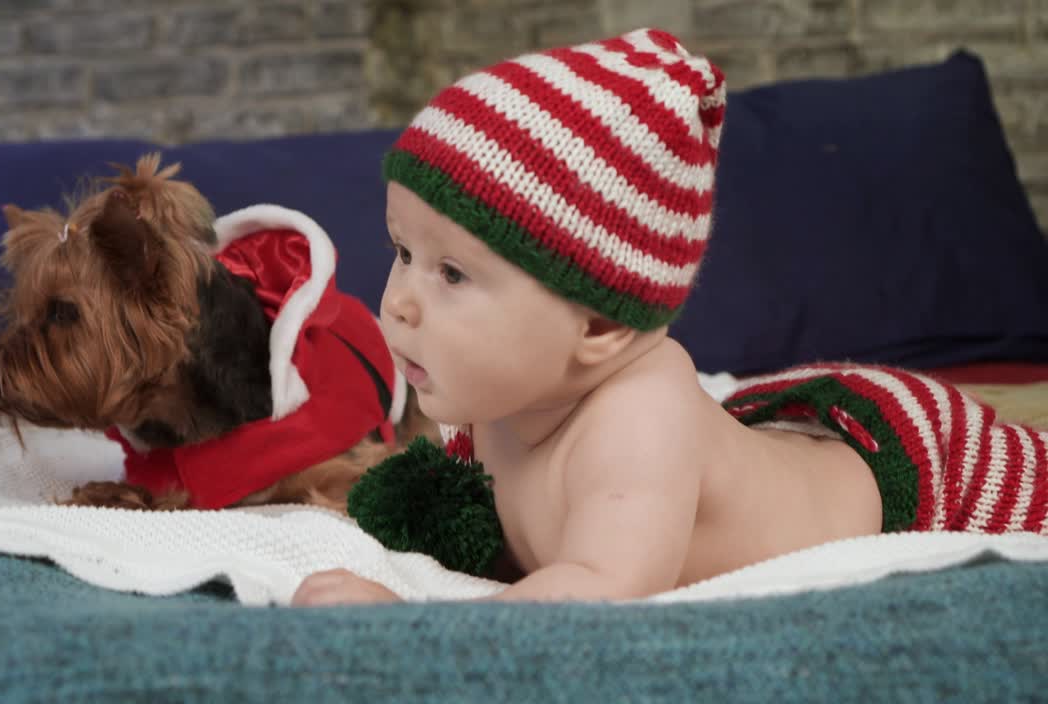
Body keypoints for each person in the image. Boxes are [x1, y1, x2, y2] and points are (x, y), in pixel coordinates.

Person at [291, 28, 1048, 606]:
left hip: (912, 459)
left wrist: (409, 617)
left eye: (453, 273)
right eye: (401, 251)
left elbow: (598, 591)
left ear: (598, 327)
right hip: (782, 422)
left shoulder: (636, 420)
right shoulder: (497, 403)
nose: (399, 301)